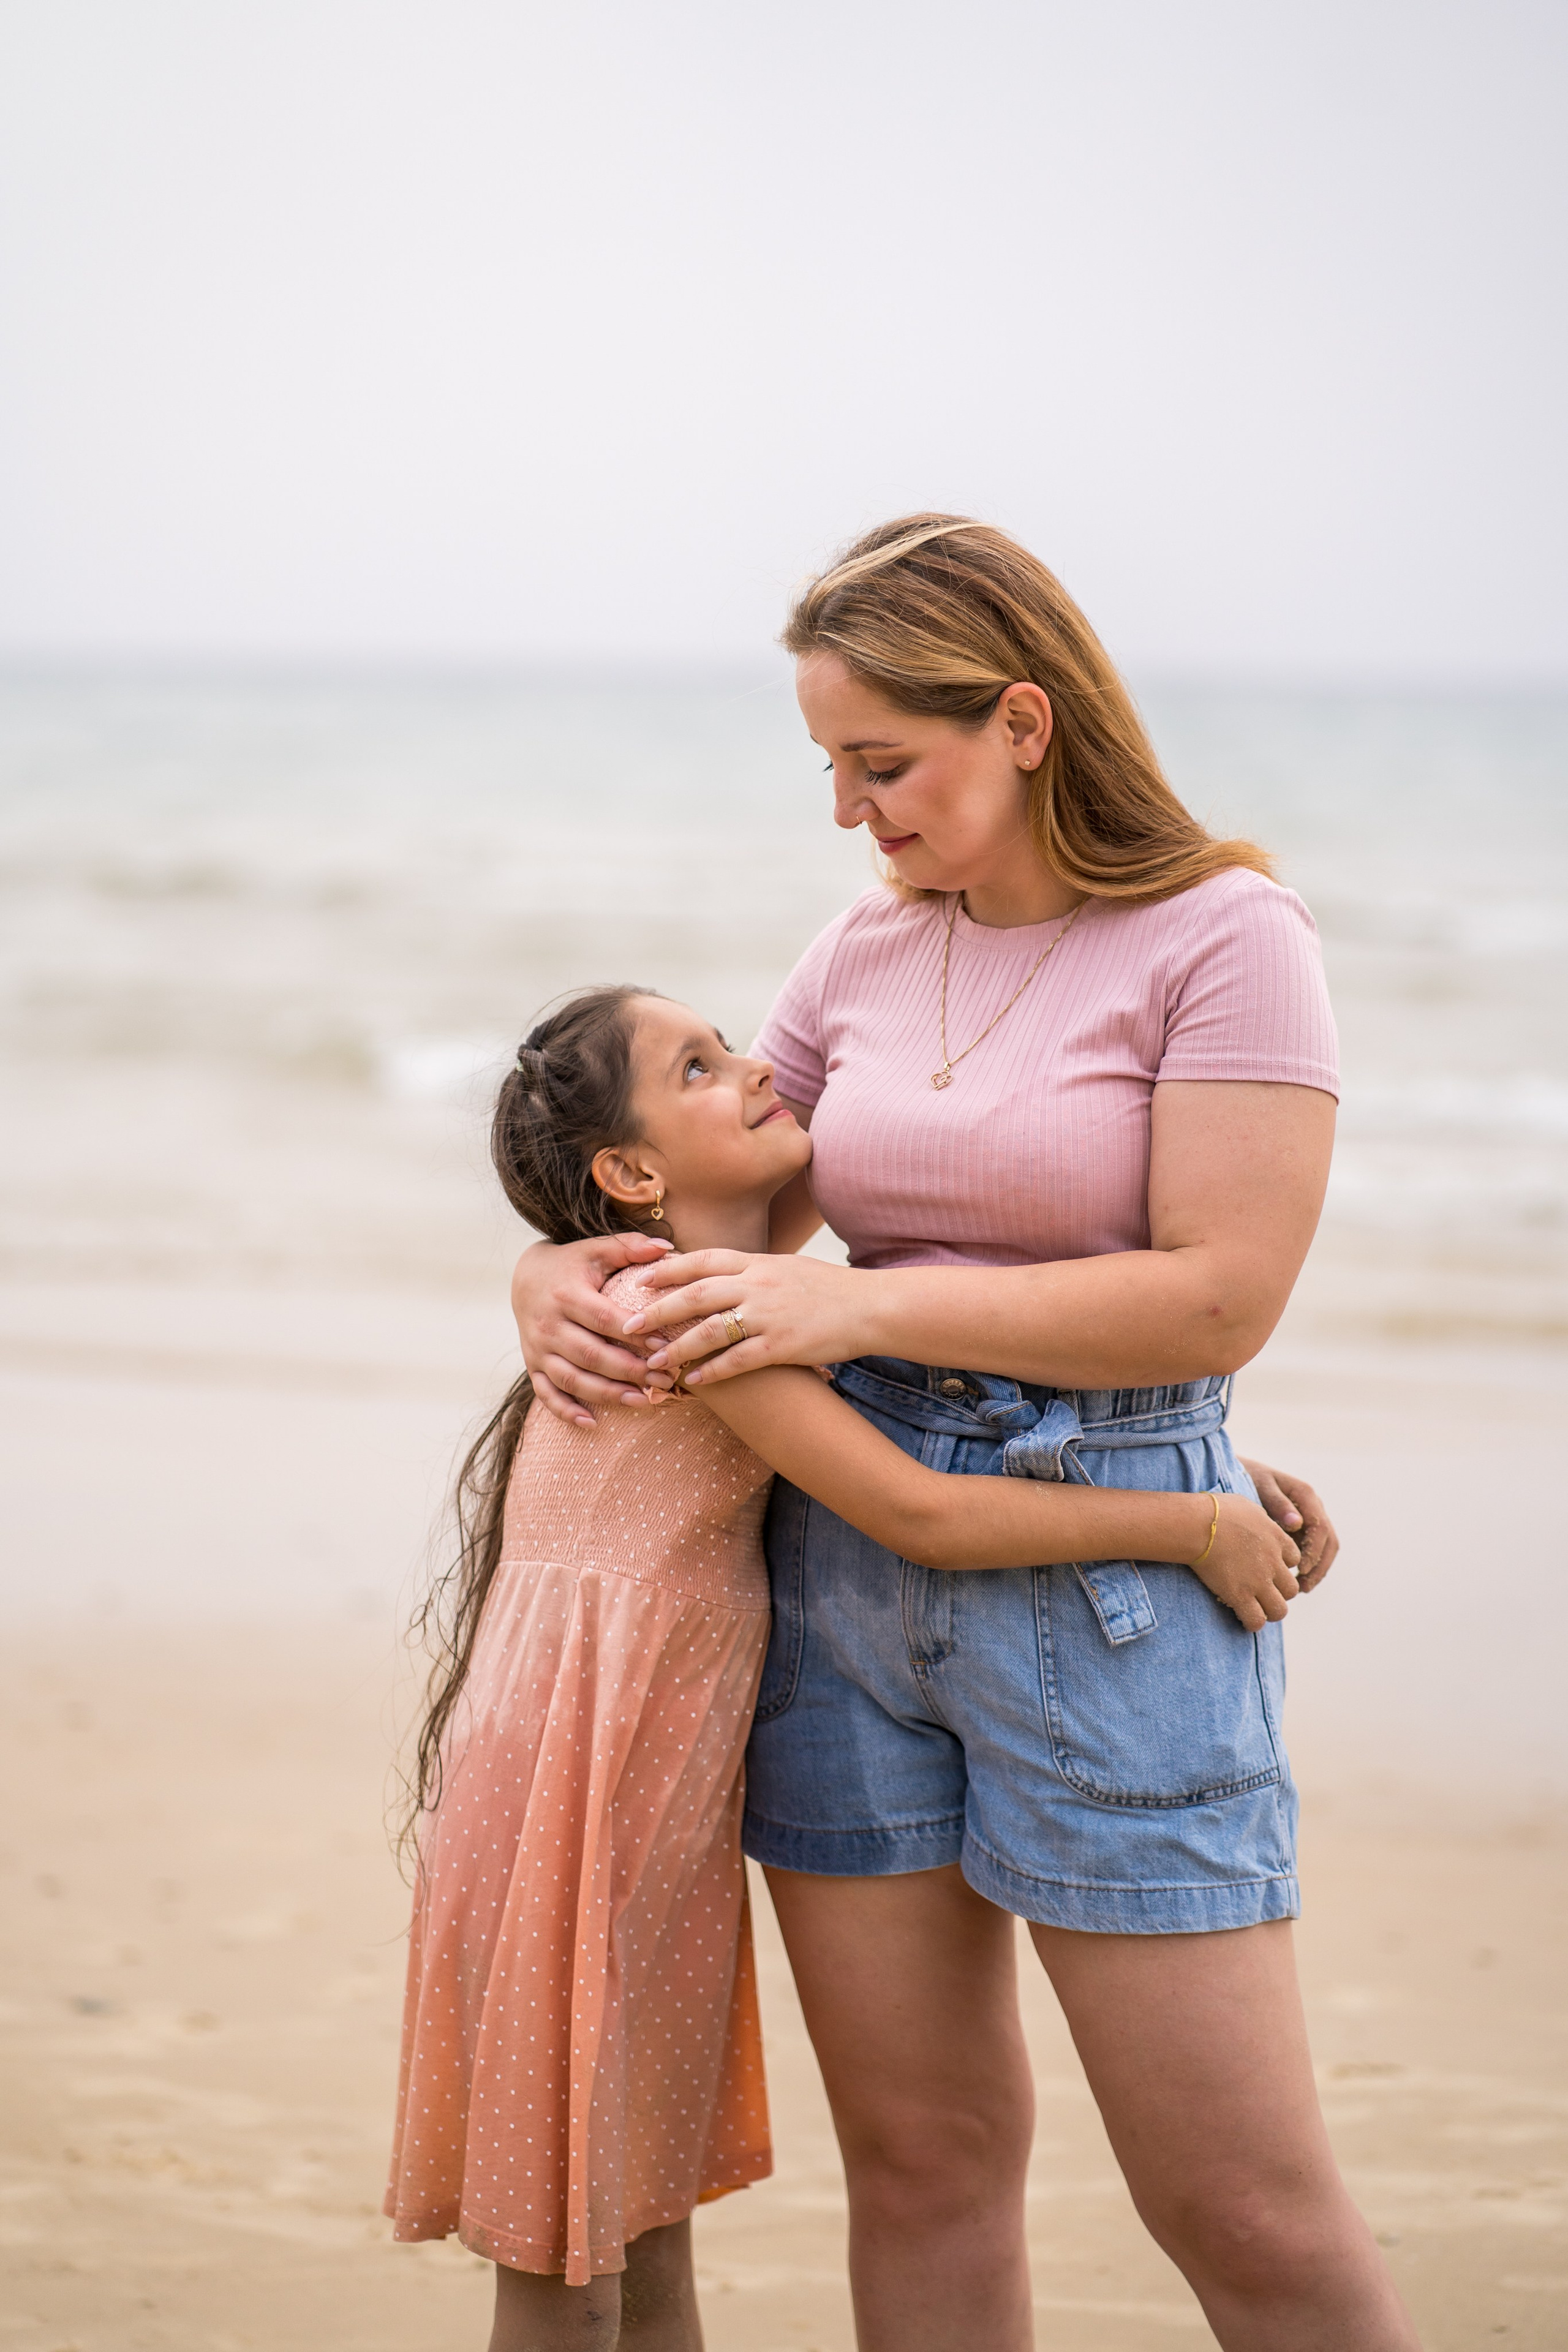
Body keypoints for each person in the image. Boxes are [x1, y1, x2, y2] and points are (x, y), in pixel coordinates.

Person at [510, 518, 1421, 2350]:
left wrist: (864, 1306)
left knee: (1236, 2202)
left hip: (1113, 1583)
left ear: (1021, 718)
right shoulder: (861, 953)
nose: (851, 812)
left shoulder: (1227, 938)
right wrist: (543, 1285)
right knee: (925, 2167)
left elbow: (1217, 1298)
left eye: (882, 764)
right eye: (829, 769)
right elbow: (718, 1206)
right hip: (839, 1568)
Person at [388, 982, 1306, 2352]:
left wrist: (1203, 1456)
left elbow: (926, 1313)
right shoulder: (693, 1312)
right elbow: (918, 1508)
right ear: (630, 1173)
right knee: (575, 2245)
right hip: (591, 1793)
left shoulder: (707, 1270)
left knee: (628, 2222)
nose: (759, 1065)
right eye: (700, 1066)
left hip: (624, 1781)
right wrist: (1189, 1522)